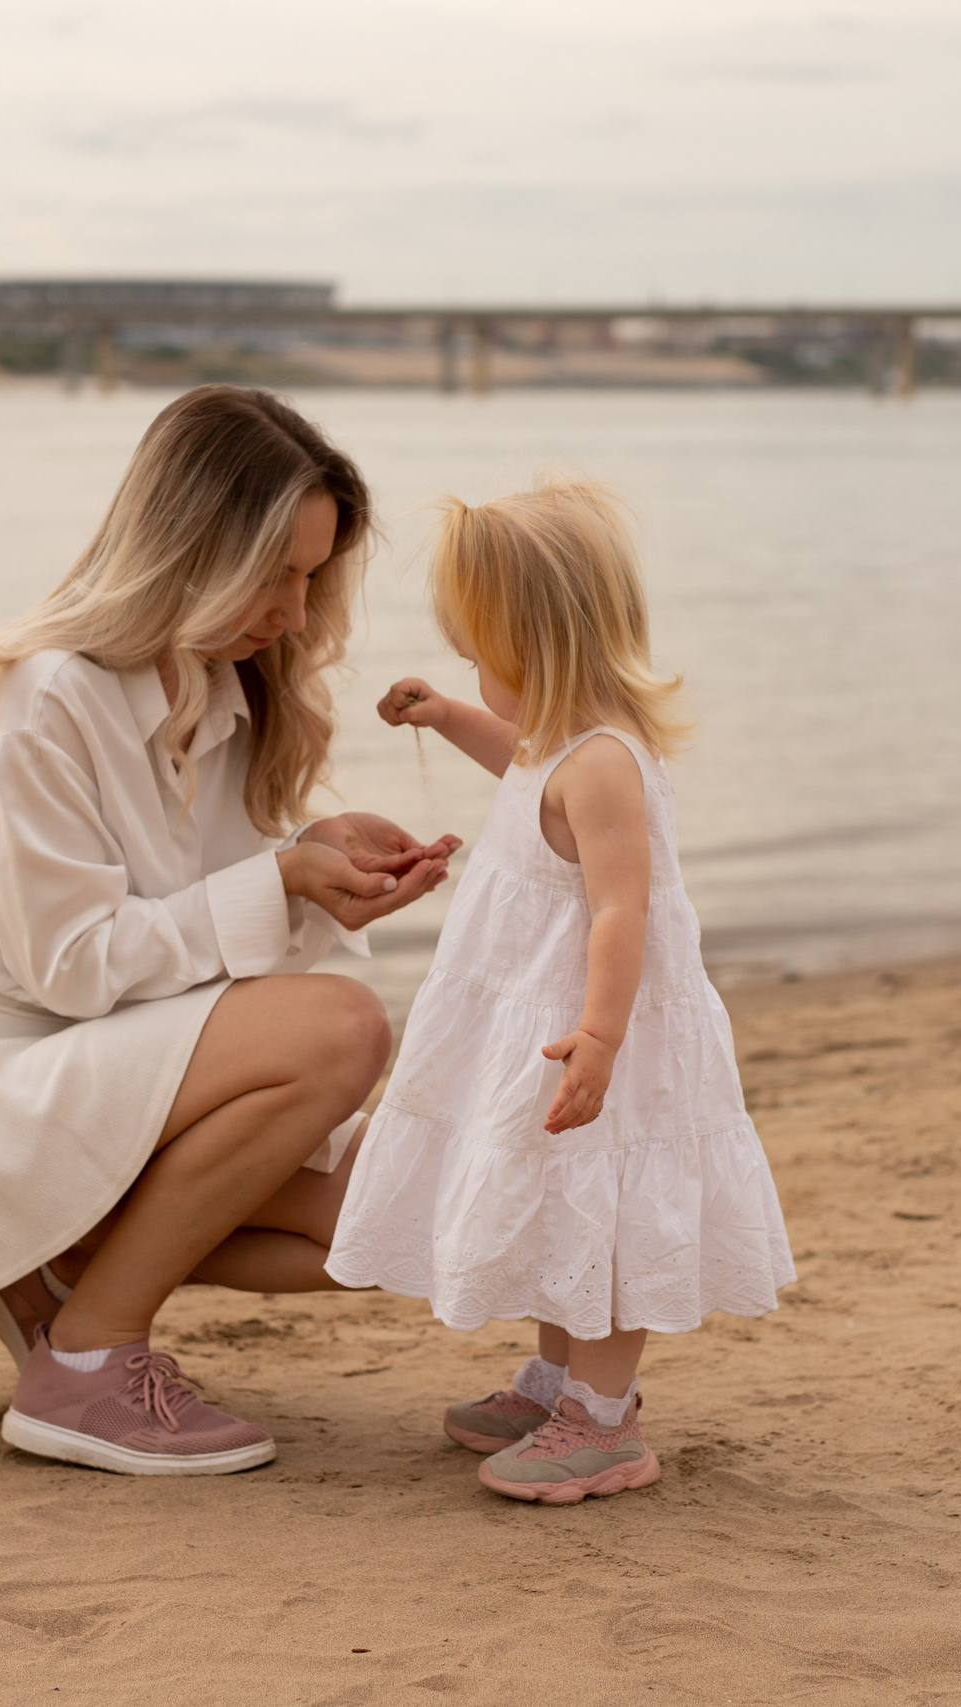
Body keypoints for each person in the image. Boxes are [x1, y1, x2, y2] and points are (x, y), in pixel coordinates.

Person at [0, 386, 457, 1476]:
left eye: (311, 578)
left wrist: (308, 864)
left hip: (79, 1058)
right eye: (275, 572)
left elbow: (177, 948)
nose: (293, 608)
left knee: (410, 1209)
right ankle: (87, 1361)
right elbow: (76, 966)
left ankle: (70, 1276)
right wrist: (277, 878)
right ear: (189, 549)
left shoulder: (225, 696)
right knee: (341, 1028)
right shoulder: (42, 697)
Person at [325, 479, 794, 1504]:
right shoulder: (561, 742)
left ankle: (605, 1418)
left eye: (477, 660)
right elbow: (524, 773)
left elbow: (622, 913)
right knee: (553, 1202)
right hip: (539, 1015)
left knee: (603, 1205)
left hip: (591, 1024)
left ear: (536, 646)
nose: (471, 674)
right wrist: (450, 716)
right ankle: (555, 1382)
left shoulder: (607, 766)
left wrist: (599, 1036)